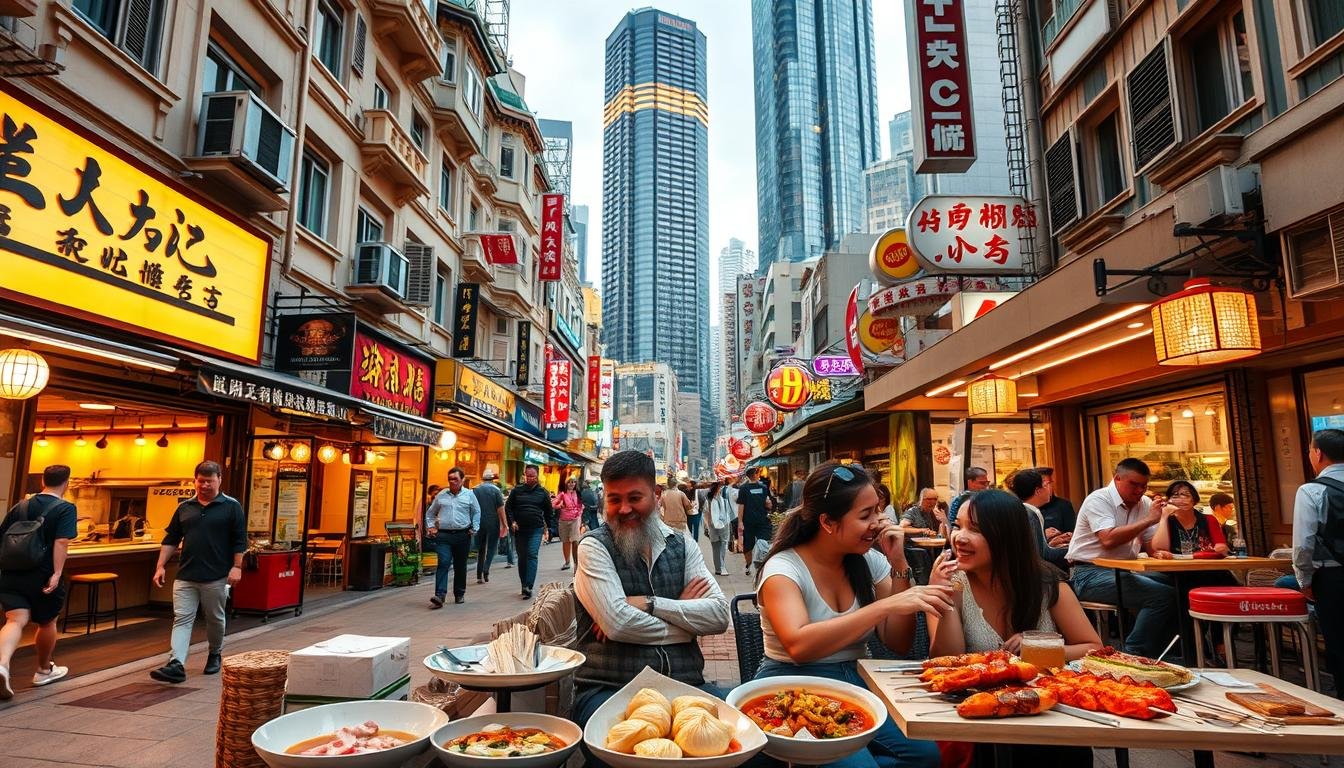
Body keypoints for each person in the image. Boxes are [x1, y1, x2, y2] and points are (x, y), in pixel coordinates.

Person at [755, 462, 948, 768]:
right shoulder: (783, 569)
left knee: (926, 756)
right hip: (793, 684)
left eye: (878, 511)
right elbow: (799, 645)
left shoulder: (870, 561)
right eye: (865, 515)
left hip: (857, 680)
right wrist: (883, 606)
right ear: (828, 523)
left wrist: (898, 561)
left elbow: (899, 642)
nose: (879, 522)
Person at [573, 451, 729, 764]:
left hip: (687, 686)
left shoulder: (683, 544)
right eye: (614, 499)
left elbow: (718, 616)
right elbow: (618, 623)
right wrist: (685, 625)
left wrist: (651, 604)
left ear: (656, 495)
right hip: (611, 688)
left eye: (635, 497)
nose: (624, 509)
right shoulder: (594, 546)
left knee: (745, 744)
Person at [928, 489, 1100, 768]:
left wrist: (1040, 648)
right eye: (958, 526)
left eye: (976, 529)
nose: (959, 537)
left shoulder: (1047, 585)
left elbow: (1093, 648)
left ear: (1007, 536)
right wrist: (946, 601)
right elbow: (944, 660)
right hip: (981, 718)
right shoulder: (951, 582)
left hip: (1048, 715)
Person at [1066, 458, 1177, 660]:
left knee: (1178, 586)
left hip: (1124, 572)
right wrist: (1149, 520)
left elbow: (1153, 545)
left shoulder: (1144, 504)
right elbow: (1108, 539)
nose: (1139, 491)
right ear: (1117, 478)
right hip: (1087, 574)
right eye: (1134, 484)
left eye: (1144, 486)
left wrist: (1163, 520)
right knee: (1161, 595)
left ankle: (1168, 652)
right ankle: (1132, 654)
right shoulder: (1099, 499)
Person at [150, 461, 246, 684]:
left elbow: (240, 539)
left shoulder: (231, 506)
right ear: (195, 480)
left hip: (217, 575)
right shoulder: (185, 507)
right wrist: (160, 565)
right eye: (200, 481)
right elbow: (171, 538)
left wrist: (237, 566)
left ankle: (215, 653)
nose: (204, 485)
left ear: (219, 480)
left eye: (209, 481)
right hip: (186, 575)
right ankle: (176, 664)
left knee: (215, 618)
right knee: (182, 618)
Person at [0, 465, 78, 698]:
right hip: (42, 574)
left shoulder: (20, 506)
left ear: (43, 480)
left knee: (15, 619)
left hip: (12, 573)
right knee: (47, 621)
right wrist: (56, 573)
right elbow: (61, 542)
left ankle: (2, 664)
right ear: (67, 482)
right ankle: (44, 670)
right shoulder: (65, 508)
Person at [1293, 428, 1344, 698]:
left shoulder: (1312, 490)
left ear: (1318, 453)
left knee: (1338, 641)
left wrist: (1304, 580)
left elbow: (1303, 545)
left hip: (1334, 579)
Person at [425, 467, 480, 607]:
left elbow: (476, 512)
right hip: (444, 535)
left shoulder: (469, 495)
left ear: (462, 480)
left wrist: (475, 527)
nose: (452, 481)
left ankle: (459, 593)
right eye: (450, 479)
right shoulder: (442, 495)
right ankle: (440, 595)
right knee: (443, 562)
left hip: (463, 535)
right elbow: (430, 513)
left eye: (455, 479)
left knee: (460, 565)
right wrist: (431, 526)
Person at [1007, 469, 1070, 571]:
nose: (1049, 489)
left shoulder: (1020, 510)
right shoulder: (1031, 514)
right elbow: (1043, 555)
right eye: (1045, 485)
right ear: (1038, 491)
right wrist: (1075, 550)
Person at [505, 465, 551, 599]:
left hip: (536, 529)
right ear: (524, 475)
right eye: (528, 476)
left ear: (537, 476)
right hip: (520, 530)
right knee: (522, 557)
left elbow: (549, 512)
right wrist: (512, 521)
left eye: (533, 476)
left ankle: (529, 586)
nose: (530, 478)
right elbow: (508, 508)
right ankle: (523, 584)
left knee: (532, 555)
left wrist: (549, 529)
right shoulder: (517, 491)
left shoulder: (543, 492)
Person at [737, 467, 773, 576]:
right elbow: (768, 503)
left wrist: (740, 521)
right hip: (761, 520)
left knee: (748, 545)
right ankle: (761, 564)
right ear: (756, 474)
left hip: (749, 521)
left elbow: (741, 506)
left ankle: (749, 565)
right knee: (762, 542)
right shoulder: (763, 487)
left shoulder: (743, 488)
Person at [473, 471, 506, 585]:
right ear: (492, 479)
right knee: (491, 547)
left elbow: (471, 507)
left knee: (481, 549)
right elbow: (500, 509)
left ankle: (479, 575)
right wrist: (505, 524)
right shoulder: (496, 490)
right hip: (493, 521)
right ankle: (486, 569)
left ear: (482, 479)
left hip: (479, 521)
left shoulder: (476, 490)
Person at [1036, 466, 1077, 544]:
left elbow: (1072, 533)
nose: (1048, 488)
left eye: (1049, 483)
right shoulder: (1028, 508)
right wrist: (1043, 535)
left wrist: (1061, 536)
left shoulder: (1064, 505)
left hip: (1061, 550)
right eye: (1044, 484)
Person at [704, 480, 734, 576]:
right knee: (717, 547)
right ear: (716, 489)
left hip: (723, 526)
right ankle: (720, 568)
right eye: (719, 487)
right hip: (714, 527)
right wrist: (708, 526)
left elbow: (727, 513)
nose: (721, 489)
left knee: (721, 547)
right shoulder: (709, 501)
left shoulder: (722, 500)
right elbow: (706, 514)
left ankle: (720, 567)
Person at [554, 476, 584, 570]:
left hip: (575, 519)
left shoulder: (578, 494)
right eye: (570, 482)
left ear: (575, 484)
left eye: (573, 482)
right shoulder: (562, 494)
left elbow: (581, 505)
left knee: (575, 541)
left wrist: (579, 513)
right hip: (564, 520)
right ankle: (567, 562)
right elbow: (553, 504)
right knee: (566, 541)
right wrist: (560, 505)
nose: (571, 484)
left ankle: (576, 563)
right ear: (566, 483)